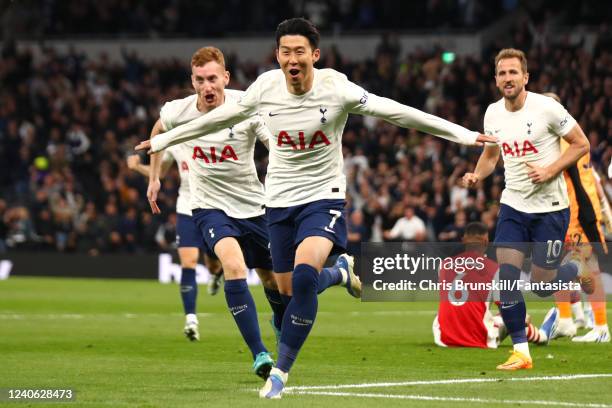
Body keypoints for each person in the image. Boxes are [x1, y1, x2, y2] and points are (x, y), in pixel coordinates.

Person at [136, 18, 495, 398]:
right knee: (290, 292)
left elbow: (396, 111)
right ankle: (341, 273)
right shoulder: (264, 89)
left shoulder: (335, 88)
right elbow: (220, 118)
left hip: (323, 197)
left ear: (314, 55)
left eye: (300, 51)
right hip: (277, 203)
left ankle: (279, 373)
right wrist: (164, 141)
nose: (293, 59)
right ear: (277, 56)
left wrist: (464, 135)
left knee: (305, 277)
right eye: (285, 52)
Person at [462, 48, 591, 371]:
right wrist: (478, 173)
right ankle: (522, 351)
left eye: (513, 73)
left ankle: (573, 269)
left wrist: (550, 171)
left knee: (542, 286)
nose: (508, 78)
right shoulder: (493, 114)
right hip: (514, 205)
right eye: (502, 73)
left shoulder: (547, 108)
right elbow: (492, 156)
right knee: (506, 278)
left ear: (525, 77)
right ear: (496, 80)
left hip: (551, 208)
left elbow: (581, 144)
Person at [127, 150, 223, 342]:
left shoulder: (215, 133)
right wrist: (137, 166)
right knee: (189, 261)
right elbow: (159, 172)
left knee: (213, 263)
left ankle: (216, 273)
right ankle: (191, 320)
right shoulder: (177, 140)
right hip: (186, 208)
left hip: (214, 208)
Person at [542, 93, 610, 343]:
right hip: (568, 210)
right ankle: (566, 320)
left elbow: (561, 174)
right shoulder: (573, 135)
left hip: (576, 213)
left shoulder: (562, 140)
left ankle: (601, 327)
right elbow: (590, 176)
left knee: (587, 268)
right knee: (558, 266)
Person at [433, 222, 556, 349]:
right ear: (486, 242)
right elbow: (508, 307)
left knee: (442, 313)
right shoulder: (494, 269)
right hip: (478, 339)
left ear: (463, 240)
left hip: (443, 339)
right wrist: (523, 317)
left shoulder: (443, 265)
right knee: (511, 317)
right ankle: (542, 336)